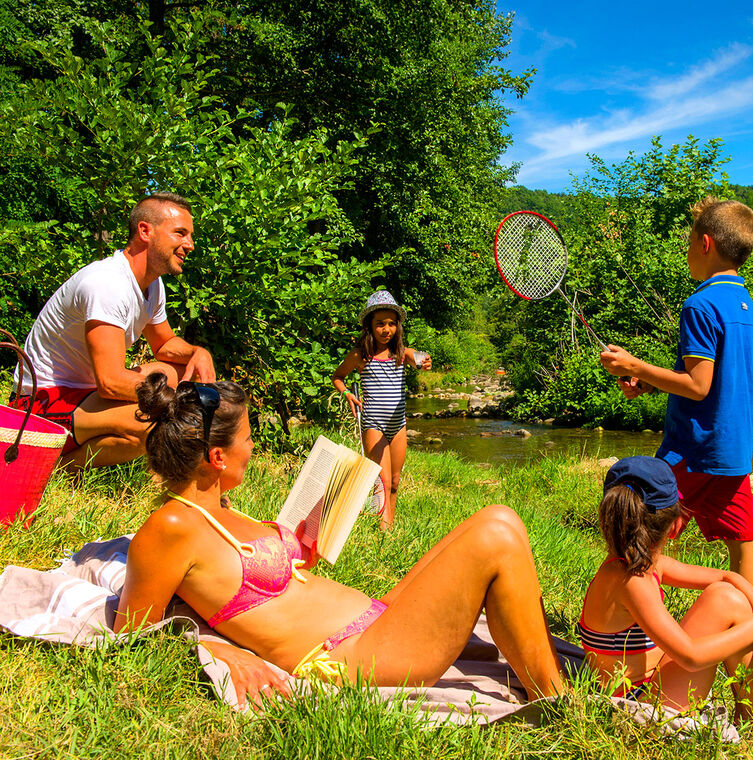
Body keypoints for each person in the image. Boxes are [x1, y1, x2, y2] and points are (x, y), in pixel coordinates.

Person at [114, 373, 562, 705]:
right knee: (496, 530)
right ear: (216, 457)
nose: (252, 449)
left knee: (496, 522)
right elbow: (130, 635)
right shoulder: (171, 527)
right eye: (248, 439)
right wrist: (215, 649)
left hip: (374, 622)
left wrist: (300, 544)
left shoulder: (222, 510)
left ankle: (544, 677)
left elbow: (254, 592)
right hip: (351, 658)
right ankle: (559, 703)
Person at [580, 456, 753, 746]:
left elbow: (726, 577)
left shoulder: (635, 565)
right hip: (640, 707)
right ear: (677, 526)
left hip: (647, 687)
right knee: (728, 601)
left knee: (727, 595)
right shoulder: (632, 581)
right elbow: (691, 656)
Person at [599, 197, 753, 589]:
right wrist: (651, 381)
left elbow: (698, 385)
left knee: (636, 530)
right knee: (744, 543)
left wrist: (636, 366)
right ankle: (748, 631)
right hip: (733, 451)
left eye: (689, 242)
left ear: (705, 243)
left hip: (693, 451)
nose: (687, 252)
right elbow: (715, 382)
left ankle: (616, 623)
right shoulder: (745, 305)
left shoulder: (700, 304)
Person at [11, 193, 215, 469]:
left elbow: (164, 343)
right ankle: (49, 467)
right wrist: (179, 402)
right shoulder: (106, 284)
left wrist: (197, 352)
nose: (189, 245)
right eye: (180, 233)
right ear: (145, 231)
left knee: (173, 372)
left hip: (83, 395)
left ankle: (66, 462)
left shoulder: (151, 285)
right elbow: (110, 382)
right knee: (155, 425)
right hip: (39, 404)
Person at [331, 290, 431, 530]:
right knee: (382, 483)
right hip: (373, 424)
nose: (386, 330)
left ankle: (389, 526)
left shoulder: (400, 354)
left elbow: (418, 357)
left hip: (398, 425)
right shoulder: (359, 356)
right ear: (369, 326)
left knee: (395, 482)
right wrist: (347, 394)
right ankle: (383, 535)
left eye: (391, 324)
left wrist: (424, 360)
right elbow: (338, 377)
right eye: (380, 324)